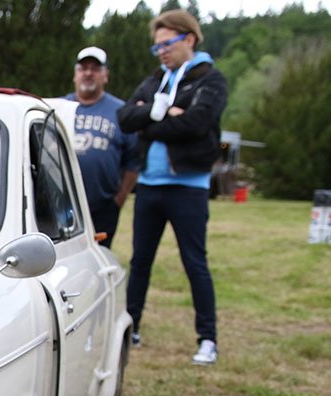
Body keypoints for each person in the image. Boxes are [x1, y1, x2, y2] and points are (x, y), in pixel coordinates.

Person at [117, 10, 227, 365]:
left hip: (188, 188)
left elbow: (198, 123)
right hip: (149, 187)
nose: (161, 52)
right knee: (141, 261)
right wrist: (164, 112)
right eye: (157, 47)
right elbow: (125, 118)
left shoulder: (210, 80)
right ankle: (130, 327)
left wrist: (150, 118)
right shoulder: (154, 81)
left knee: (195, 263)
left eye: (167, 44)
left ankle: (207, 339)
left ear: (189, 39)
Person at [64, 46, 138, 249]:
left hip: (103, 206)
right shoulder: (58, 107)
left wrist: (119, 199)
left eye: (95, 69)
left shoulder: (121, 112)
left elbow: (133, 161)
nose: (88, 73)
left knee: (99, 258)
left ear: (105, 76)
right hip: (61, 205)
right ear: (75, 75)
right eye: (83, 68)